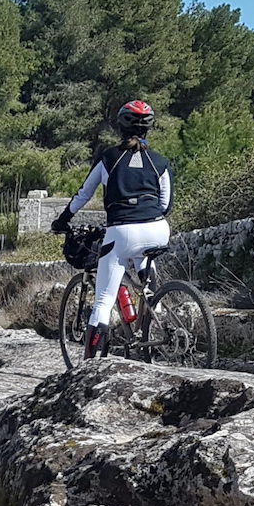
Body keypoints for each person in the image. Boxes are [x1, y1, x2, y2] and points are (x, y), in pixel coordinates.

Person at [50, 100, 173, 358]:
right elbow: (165, 204)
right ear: (149, 129)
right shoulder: (159, 162)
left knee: (103, 301)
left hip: (122, 231)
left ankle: (87, 368)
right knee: (146, 278)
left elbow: (84, 194)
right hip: (158, 228)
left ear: (121, 127)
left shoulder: (109, 158)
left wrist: (62, 221)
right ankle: (159, 329)